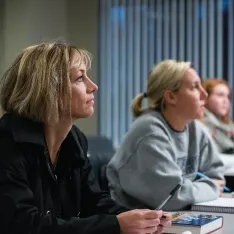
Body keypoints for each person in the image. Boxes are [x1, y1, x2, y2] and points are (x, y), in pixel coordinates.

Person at [0, 42, 172, 234]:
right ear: (49, 90)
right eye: (80, 78)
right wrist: (116, 225)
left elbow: (94, 201)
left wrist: (140, 219)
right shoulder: (7, 143)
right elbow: (23, 225)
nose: (94, 86)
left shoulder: (74, 139)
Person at [106, 60, 225, 211]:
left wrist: (198, 188)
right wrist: (210, 188)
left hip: (177, 215)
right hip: (138, 223)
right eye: (195, 87)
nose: (204, 94)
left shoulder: (196, 128)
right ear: (171, 97)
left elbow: (216, 176)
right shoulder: (149, 132)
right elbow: (172, 198)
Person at [202, 78, 234, 190]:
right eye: (220, 95)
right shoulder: (200, 124)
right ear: (206, 97)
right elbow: (210, 160)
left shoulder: (228, 126)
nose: (226, 100)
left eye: (228, 96)